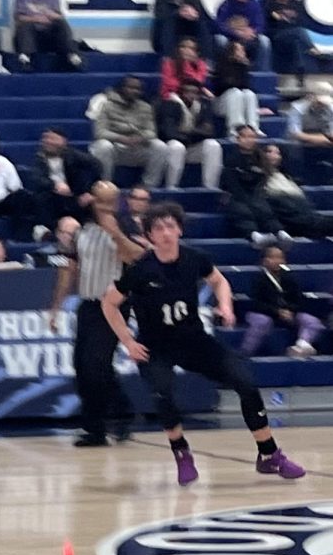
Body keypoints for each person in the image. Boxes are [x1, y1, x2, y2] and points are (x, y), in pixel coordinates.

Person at [102, 201, 305, 485]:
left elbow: (219, 281)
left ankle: (269, 455)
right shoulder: (140, 270)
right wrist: (127, 341)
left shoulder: (194, 258)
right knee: (163, 392)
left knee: (245, 383)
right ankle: (181, 452)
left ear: (180, 230)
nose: (165, 232)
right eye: (158, 228)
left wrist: (226, 307)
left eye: (170, 226)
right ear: (149, 235)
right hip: (155, 345)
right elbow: (109, 304)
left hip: (194, 340)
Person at [49, 180, 142, 447]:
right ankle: (108, 420)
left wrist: (114, 232)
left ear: (116, 203)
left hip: (113, 305)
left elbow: (135, 257)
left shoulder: (124, 227)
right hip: (88, 305)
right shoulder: (81, 230)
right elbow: (69, 270)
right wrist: (56, 307)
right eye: (99, 201)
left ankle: (103, 424)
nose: (103, 207)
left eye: (109, 202)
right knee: (82, 366)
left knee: (97, 366)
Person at [242, 243, 321, 357]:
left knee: (312, 322)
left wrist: (290, 311)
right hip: (264, 313)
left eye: (280, 257)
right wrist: (277, 311)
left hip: (288, 313)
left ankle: (301, 346)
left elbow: (298, 299)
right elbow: (257, 303)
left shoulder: (289, 278)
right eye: (273, 257)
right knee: (262, 322)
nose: (277, 260)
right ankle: (246, 352)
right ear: (264, 261)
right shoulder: (258, 279)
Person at [89, 76, 169, 187]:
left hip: (137, 146)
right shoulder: (107, 105)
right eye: (130, 87)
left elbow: (152, 132)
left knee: (160, 146)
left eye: (137, 89)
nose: (134, 91)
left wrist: (140, 138)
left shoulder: (146, 107)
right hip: (115, 147)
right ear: (121, 88)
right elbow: (100, 132)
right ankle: (105, 185)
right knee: (103, 146)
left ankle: (149, 186)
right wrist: (120, 138)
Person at [31, 126, 100, 235]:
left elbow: (96, 165)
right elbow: (37, 178)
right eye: (46, 138)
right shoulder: (38, 159)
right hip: (52, 197)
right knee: (41, 198)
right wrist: (54, 185)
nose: (49, 142)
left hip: (74, 195)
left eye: (53, 139)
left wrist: (90, 191)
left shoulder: (74, 156)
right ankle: (47, 231)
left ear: (63, 142)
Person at [221, 125, 283, 244]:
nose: (248, 140)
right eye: (244, 136)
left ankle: (279, 232)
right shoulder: (231, 159)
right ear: (238, 139)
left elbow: (264, 178)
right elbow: (230, 182)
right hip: (236, 195)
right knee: (241, 209)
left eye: (251, 137)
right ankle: (254, 235)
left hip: (256, 194)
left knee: (264, 207)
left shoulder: (260, 158)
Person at [157, 80, 223, 189]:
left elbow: (210, 131)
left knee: (213, 145)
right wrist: (196, 132)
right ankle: (171, 187)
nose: (191, 95)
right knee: (177, 147)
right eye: (187, 91)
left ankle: (210, 187)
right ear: (180, 92)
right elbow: (169, 132)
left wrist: (185, 132)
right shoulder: (170, 105)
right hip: (172, 146)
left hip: (192, 146)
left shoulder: (204, 106)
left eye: (195, 92)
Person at [259, 141, 333, 237]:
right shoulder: (258, 176)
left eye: (278, 153)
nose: (274, 155)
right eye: (269, 152)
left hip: (304, 215)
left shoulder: (286, 177)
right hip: (289, 217)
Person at [13, 0, 82, 72]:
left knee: (61, 24)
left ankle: (72, 56)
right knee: (25, 26)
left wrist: (51, 15)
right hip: (32, 36)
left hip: (50, 36)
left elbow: (60, 17)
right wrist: (36, 19)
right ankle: (25, 58)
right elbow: (19, 18)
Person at [214, 40, 264, 135]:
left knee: (249, 94)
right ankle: (236, 128)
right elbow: (222, 86)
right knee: (235, 92)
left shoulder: (243, 67)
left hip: (239, 99)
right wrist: (235, 84)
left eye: (243, 50)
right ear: (231, 52)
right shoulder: (221, 65)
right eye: (240, 50)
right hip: (222, 102)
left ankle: (253, 127)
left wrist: (243, 66)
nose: (243, 53)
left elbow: (246, 86)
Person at [286, 82, 333, 183]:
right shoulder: (297, 108)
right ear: (311, 96)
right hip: (300, 147)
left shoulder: (330, 109)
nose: (322, 105)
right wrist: (325, 139)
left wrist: (310, 138)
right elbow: (296, 134)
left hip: (323, 146)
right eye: (319, 102)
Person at [266, 0, 318, 87]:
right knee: (300, 31)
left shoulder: (295, 5)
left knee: (297, 43)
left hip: (293, 35)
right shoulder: (270, 4)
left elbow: (299, 21)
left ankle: (300, 74)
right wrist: (281, 17)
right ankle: (312, 48)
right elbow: (275, 18)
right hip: (278, 34)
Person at [214, 0, 271, 71]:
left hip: (249, 38)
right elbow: (219, 26)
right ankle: (223, 70)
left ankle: (261, 74)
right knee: (220, 39)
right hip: (231, 38)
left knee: (265, 41)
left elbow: (260, 25)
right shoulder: (226, 4)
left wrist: (253, 32)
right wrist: (236, 33)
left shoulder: (254, 5)